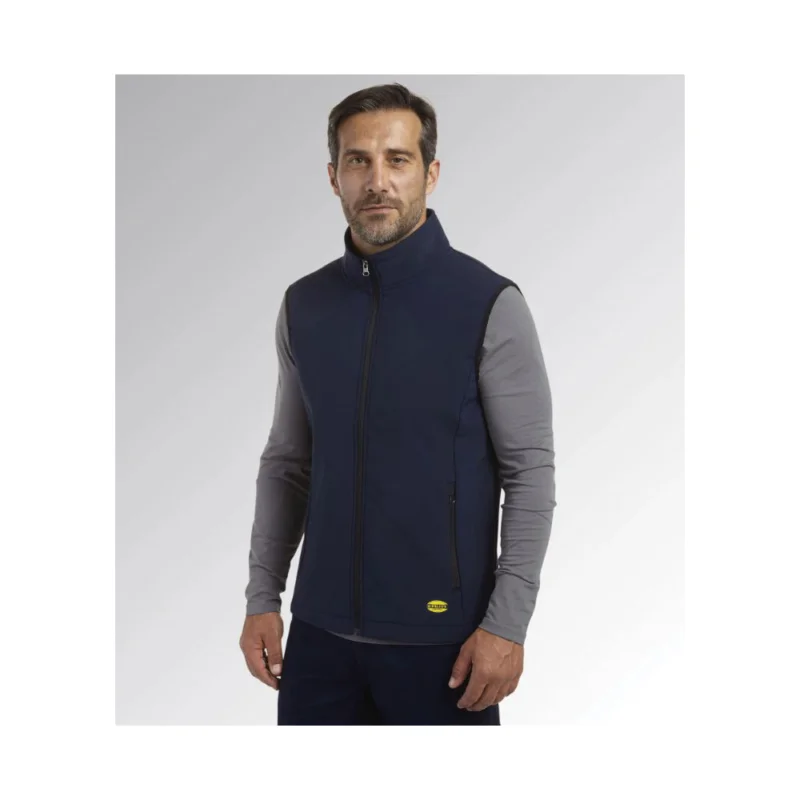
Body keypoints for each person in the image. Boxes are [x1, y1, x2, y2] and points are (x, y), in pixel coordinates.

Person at [239, 82, 557, 725]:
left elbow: (529, 473)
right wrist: (261, 596)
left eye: (398, 159)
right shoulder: (304, 306)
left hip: (446, 646)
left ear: (430, 173)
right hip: (319, 643)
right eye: (358, 160)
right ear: (334, 176)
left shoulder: (487, 304)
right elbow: (288, 463)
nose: (377, 180)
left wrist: (508, 624)